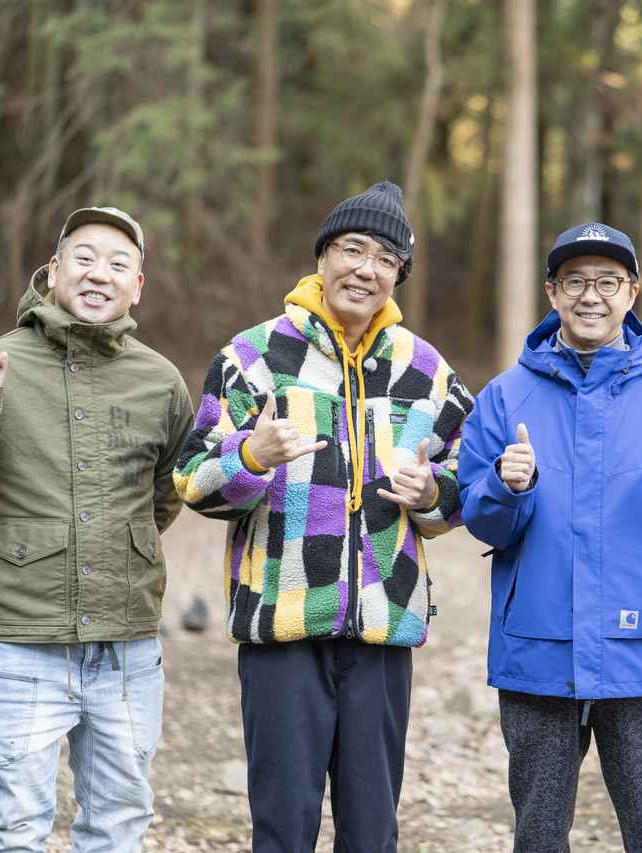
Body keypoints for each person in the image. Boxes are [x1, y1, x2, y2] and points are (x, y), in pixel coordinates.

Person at [173, 181, 474, 853]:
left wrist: (431, 494)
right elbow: (191, 475)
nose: (366, 268)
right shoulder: (254, 356)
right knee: (282, 829)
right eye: (352, 248)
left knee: (373, 834)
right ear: (322, 256)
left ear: (398, 275)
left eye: (385, 258)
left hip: (383, 631)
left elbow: (469, 482)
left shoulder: (425, 371)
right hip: (280, 630)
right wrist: (251, 453)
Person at [0, 206, 194, 851]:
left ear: (138, 285)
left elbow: (165, 492)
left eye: (119, 264)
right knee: (11, 828)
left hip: (126, 647)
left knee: (120, 825)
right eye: (85, 257)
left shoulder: (161, 381)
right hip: (20, 643)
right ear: (55, 268)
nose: (101, 274)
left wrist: (124, 551)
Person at [457, 222, 642, 852]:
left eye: (607, 282)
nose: (592, 296)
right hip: (538, 650)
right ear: (552, 292)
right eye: (576, 282)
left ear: (633, 292)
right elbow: (479, 518)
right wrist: (507, 486)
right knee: (537, 836)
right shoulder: (504, 397)